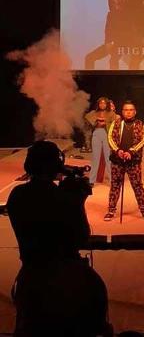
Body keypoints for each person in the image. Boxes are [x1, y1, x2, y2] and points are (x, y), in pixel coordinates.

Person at [6, 140, 111, 337]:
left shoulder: (17, 194)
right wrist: (77, 201)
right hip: (65, 270)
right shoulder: (62, 197)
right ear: (55, 165)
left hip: (30, 272)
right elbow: (81, 237)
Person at [106, 101, 144, 221]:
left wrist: (131, 152)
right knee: (115, 185)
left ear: (135, 111)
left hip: (134, 160)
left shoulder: (140, 124)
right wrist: (118, 151)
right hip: (117, 160)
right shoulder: (115, 123)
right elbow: (110, 138)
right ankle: (111, 210)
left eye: (131, 110)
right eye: (126, 110)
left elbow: (143, 140)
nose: (128, 112)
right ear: (122, 112)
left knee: (137, 186)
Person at [84, 0, 129, 70]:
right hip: (110, 44)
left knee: (113, 61)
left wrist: (114, 42)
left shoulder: (127, 14)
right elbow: (107, 30)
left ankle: (115, 82)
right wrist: (108, 43)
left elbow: (126, 32)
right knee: (89, 58)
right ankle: (89, 81)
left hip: (121, 45)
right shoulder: (110, 14)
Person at [85, 97, 116, 185]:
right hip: (97, 133)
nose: (102, 105)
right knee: (95, 157)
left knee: (108, 158)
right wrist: (96, 121)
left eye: (104, 103)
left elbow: (115, 124)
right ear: (98, 104)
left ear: (107, 104)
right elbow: (87, 118)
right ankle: (91, 180)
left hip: (107, 134)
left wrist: (106, 122)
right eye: (100, 103)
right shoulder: (94, 112)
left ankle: (111, 180)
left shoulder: (111, 113)